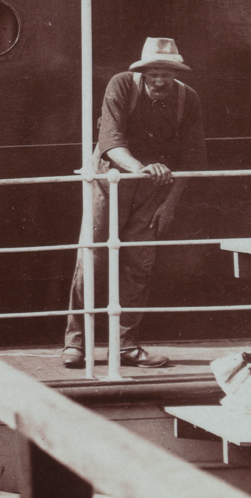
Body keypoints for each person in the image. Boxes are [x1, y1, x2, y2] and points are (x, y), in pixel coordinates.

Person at [63, 36, 207, 371]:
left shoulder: (188, 99)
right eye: (154, 72)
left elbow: (192, 158)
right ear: (142, 71)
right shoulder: (121, 86)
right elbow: (111, 143)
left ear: (176, 74)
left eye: (167, 74)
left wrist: (170, 204)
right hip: (110, 181)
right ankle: (76, 343)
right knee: (92, 259)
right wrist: (140, 169)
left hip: (154, 191)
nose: (160, 80)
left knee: (140, 264)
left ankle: (125, 346)